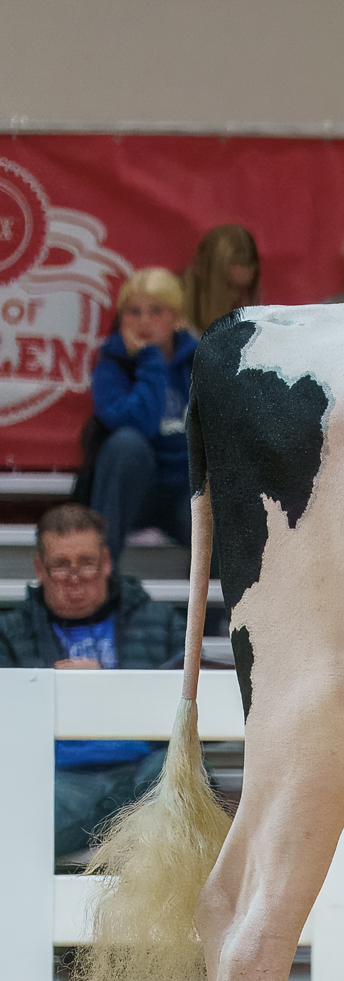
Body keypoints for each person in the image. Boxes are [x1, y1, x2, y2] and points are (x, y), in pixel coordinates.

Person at [0, 506, 185, 857]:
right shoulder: (9, 633)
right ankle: (117, 829)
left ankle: (109, 829)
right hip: (58, 777)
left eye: (86, 563)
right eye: (60, 565)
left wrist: (105, 686)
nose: (75, 577)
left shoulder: (161, 621)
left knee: (181, 774)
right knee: (22, 809)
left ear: (106, 562)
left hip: (144, 770)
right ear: (39, 569)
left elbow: (201, 713)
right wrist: (56, 693)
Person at [88, 268, 198, 561]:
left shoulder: (202, 363)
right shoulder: (111, 365)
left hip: (185, 495)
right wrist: (150, 360)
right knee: (127, 444)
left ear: (177, 318)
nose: (144, 321)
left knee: (221, 515)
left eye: (156, 311)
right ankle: (102, 575)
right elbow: (140, 423)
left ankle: (216, 594)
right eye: (133, 312)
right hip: (133, 496)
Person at [183, 223, 262, 334]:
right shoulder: (170, 329)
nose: (236, 298)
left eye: (244, 290)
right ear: (203, 275)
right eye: (228, 286)